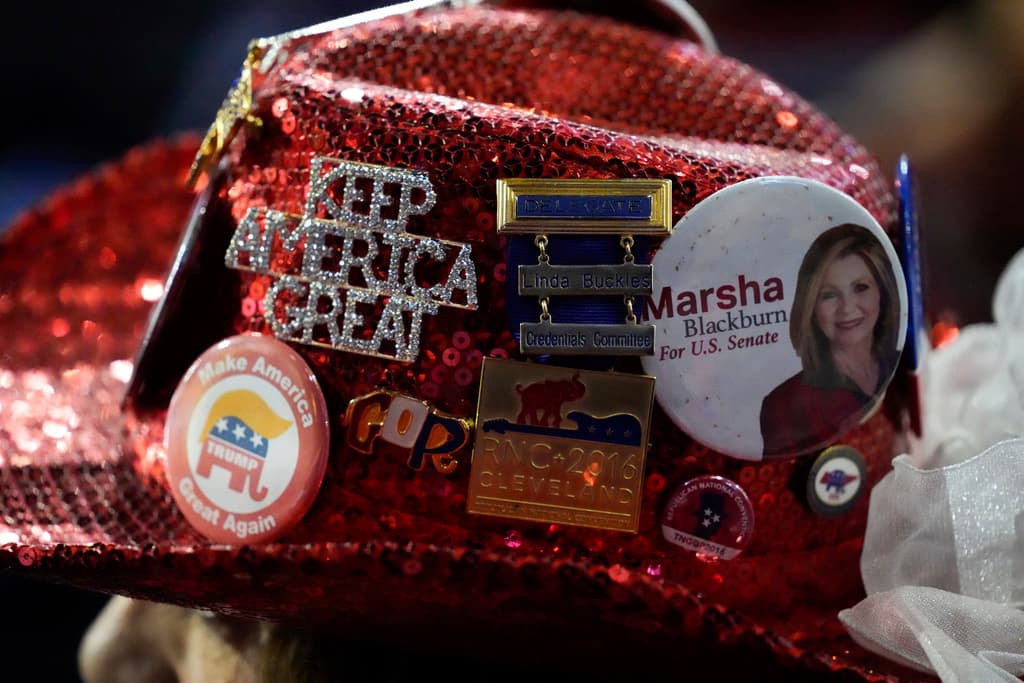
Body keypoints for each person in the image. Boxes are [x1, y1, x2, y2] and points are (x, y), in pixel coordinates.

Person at [760, 223, 902, 457]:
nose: (847, 308)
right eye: (829, 295)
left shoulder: (900, 365)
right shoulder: (782, 406)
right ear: (811, 307)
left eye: (860, 287)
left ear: (882, 292)